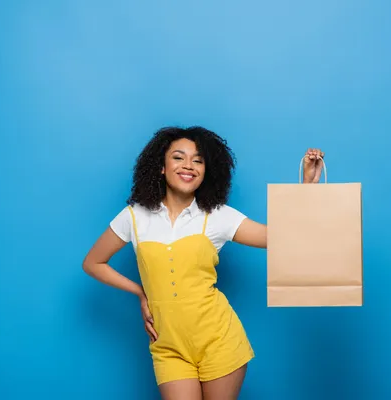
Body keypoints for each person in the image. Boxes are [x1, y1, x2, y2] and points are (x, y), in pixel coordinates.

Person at [82, 126, 324, 400]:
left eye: (198, 160)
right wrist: (140, 293)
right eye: (178, 157)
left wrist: (307, 188)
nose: (189, 166)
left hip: (219, 341)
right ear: (160, 166)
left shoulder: (218, 216)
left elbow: (277, 237)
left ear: (207, 171)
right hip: (168, 347)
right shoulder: (134, 216)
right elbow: (93, 263)